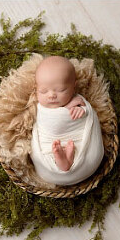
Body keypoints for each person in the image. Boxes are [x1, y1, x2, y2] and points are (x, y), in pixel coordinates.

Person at [30, 55, 104, 184]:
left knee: (80, 149)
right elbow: (48, 120)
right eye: (43, 91)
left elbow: (89, 117)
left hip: (83, 154)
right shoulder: (40, 108)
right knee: (49, 151)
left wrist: (83, 111)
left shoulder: (79, 100)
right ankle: (62, 161)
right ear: (36, 89)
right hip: (48, 152)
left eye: (60, 90)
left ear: (73, 87)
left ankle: (66, 160)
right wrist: (67, 108)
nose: (51, 95)